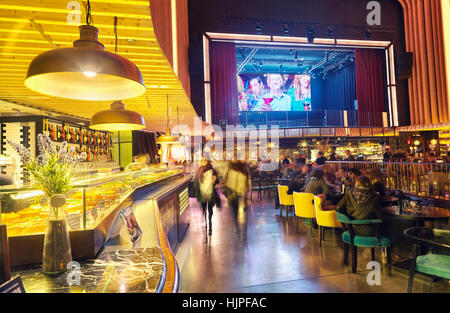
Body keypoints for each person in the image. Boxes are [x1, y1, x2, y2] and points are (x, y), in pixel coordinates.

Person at [194, 159, 219, 235]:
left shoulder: (200, 170)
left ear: (205, 162)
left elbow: (196, 182)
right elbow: (215, 181)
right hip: (210, 193)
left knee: (204, 209)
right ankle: (210, 226)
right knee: (210, 210)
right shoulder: (213, 170)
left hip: (203, 193)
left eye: (202, 160)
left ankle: (206, 224)